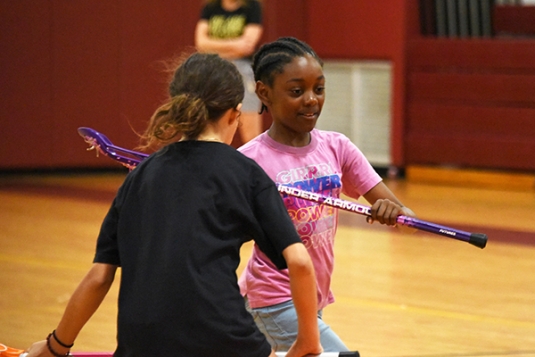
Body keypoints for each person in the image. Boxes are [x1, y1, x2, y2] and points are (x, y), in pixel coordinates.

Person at [24, 52, 322, 357]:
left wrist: (56, 346)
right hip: (225, 342)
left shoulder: (138, 178)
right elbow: (299, 262)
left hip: (140, 345)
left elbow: (100, 276)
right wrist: (308, 343)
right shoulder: (247, 174)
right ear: (234, 114)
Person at [238, 37, 417, 352]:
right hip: (274, 298)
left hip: (312, 296)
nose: (311, 100)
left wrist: (393, 211)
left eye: (318, 89)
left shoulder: (337, 147)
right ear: (264, 92)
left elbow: (403, 215)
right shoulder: (249, 161)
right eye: (296, 92)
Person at [195, 0, 264, 144]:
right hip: (214, 70)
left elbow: (247, 46)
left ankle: (252, 164)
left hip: (243, 71)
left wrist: (214, 46)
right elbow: (201, 43)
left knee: (250, 133)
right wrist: (234, 44)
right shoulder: (210, 7)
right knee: (211, 125)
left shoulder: (252, 6)